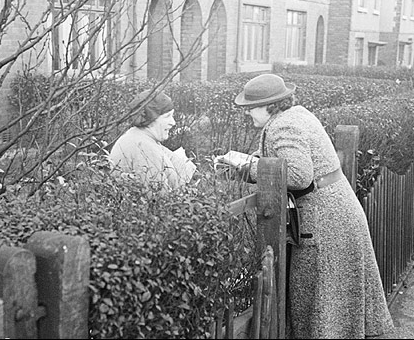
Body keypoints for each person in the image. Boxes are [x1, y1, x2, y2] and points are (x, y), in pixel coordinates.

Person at [215, 74, 394, 339]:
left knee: (321, 305)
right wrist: (251, 162)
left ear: (270, 106)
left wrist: (245, 167)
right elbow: (287, 159)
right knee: (333, 304)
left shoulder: (283, 126)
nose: (247, 113)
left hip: (325, 221)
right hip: (335, 213)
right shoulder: (295, 115)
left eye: (251, 107)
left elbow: (298, 175)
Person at [109, 89, 196, 191]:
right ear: (151, 118)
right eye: (167, 116)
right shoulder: (142, 147)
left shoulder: (140, 137)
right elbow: (157, 198)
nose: (173, 123)